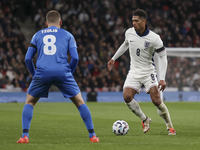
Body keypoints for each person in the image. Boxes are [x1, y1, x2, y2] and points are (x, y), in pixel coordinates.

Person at [17, 10, 99, 143]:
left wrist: (34, 75)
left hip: (42, 72)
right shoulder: (68, 35)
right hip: (63, 71)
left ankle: (25, 136)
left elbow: (27, 59)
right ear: (60, 22)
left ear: (46, 23)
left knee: (30, 102)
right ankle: (93, 136)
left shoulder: (37, 35)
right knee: (79, 102)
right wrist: (69, 73)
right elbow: (75, 58)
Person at [107, 9, 176, 135]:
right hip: (134, 71)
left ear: (144, 21)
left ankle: (169, 125)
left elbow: (163, 57)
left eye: (136, 21)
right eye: (133, 20)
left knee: (156, 100)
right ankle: (145, 119)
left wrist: (162, 78)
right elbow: (125, 44)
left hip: (148, 71)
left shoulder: (155, 38)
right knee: (127, 97)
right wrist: (113, 58)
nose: (134, 23)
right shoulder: (129, 32)